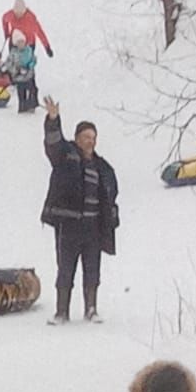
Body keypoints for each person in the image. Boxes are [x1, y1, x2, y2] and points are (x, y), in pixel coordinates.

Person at [40, 96, 119, 325]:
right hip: (69, 225)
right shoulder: (65, 156)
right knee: (65, 269)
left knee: (92, 270)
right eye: (86, 137)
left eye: (93, 138)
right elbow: (52, 143)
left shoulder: (103, 167)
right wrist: (53, 119)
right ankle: (61, 312)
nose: (90, 141)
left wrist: (112, 216)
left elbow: (112, 195)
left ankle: (91, 309)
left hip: (93, 227)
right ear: (77, 138)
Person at [3, 29, 38, 113]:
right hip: (18, 77)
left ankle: (31, 105)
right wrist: (16, 70)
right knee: (21, 93)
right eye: (19, 42)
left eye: (22, 41)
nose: (21, 44)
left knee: (32, 90)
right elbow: (8, 64)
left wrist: (30, 67)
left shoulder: (29, 50)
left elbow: (33, 60)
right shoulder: (13, 53)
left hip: (28, 76)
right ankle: (22, 107)